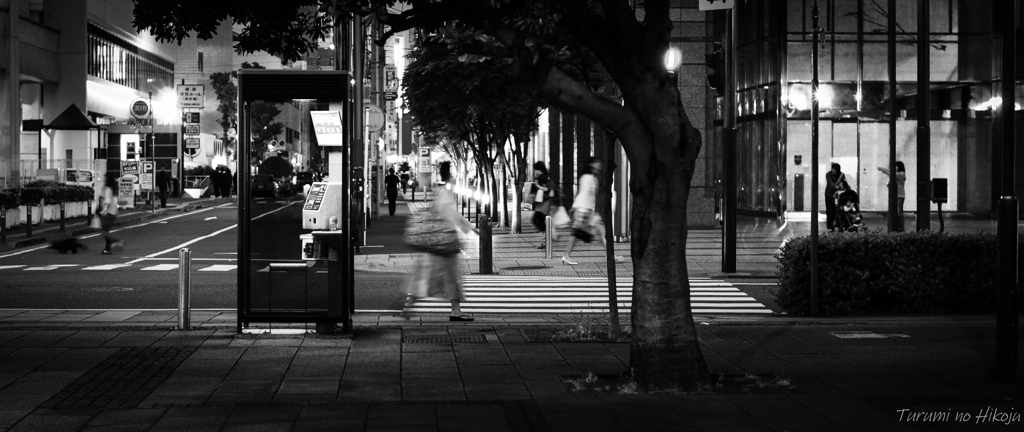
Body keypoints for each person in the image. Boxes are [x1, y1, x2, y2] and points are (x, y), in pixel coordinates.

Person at [403, 161, 478, 321]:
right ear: (450, 175)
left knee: (426, 277)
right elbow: (452, 216)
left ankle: (410, 306)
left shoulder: (439, 190)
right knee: (450, 277)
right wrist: (471, 228)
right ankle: (455, 312)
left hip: (435, 242)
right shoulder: (445, 193)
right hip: (445, 243)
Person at [561, 158, 624, 265]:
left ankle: (611, 256)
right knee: (576, 234)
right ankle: (566, 255)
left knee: (600, 231)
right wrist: (584, 212)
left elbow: (588, 196)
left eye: (599, 163)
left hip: (587, 210)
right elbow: (584, 194)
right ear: (591, 165)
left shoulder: (593, 178)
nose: (599, 165)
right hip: (583, 210)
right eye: (597, 163)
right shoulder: (588, 178)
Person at [98, 172, 124, 255]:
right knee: (105, 231)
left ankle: (110, 247)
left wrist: (103, 210)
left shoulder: (107, 188)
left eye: (105, 177)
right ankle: (112, 244)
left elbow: (107, 201)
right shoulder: (114, 188)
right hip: (113, 212)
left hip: (108, 213)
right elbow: (115, 200)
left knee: (105, 232)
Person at [879, 161, 907, 232]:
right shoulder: (897, 175)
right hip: (895, 195)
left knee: (899, 211)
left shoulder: (901, 174)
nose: (894, 167)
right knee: (895, 211)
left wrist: (883, 169)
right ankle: (896, 225)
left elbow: (892, 173)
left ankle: (900, 227)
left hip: (899, 195)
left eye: (896, 166)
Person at [530, 161, 553, 250]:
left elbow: (547, 189)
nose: (536, 171)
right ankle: (545, 239)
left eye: (537, 169)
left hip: (544, 204)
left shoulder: (542, 177)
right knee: (538, 221)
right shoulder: (541, 177)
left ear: (541, 170)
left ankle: (546, 239)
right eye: (536, 169)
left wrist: (537, 185)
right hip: (541, 204)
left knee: (536, 221)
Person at [825, 163, 848, 232]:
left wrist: (846, 189)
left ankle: (838, 224)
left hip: (838, 196)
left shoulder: (842, 175)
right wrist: (836, 186)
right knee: (830, 211)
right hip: (829, 195)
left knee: (838, 211)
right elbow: (830, 183)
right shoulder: (828, 174)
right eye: (833, 170)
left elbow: (845, 183)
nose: (833, 171)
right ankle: (830, 226)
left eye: (834, 170)